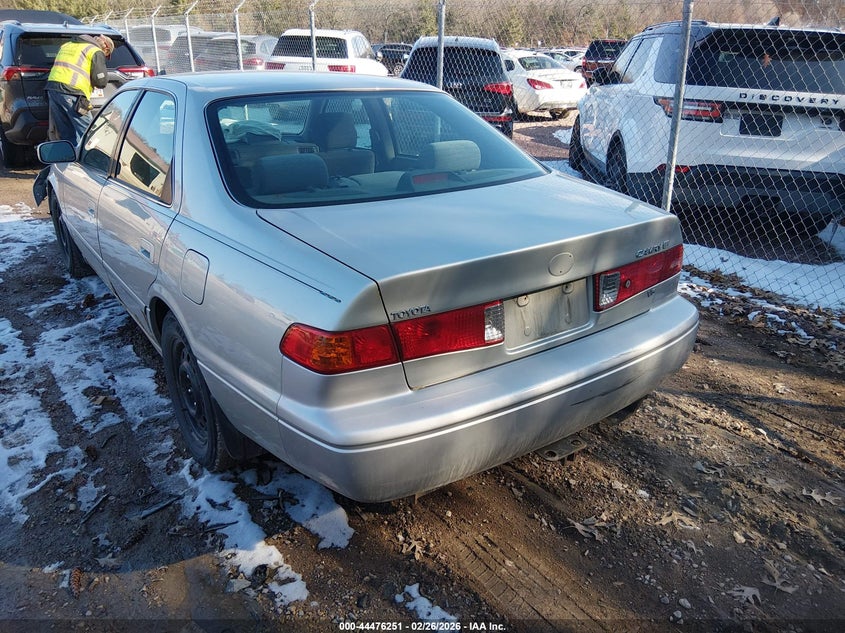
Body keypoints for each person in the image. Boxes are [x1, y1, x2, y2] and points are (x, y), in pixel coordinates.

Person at [45, 34, 114, 145]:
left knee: (66, 132)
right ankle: (95, 154)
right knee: (88, 131)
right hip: (72, 92)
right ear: (106, 47)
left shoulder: (67, 45)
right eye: (106, 54)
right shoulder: (95, 50)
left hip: (53, 89)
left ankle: (70, 154)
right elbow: (101, 82)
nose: (105, 56)